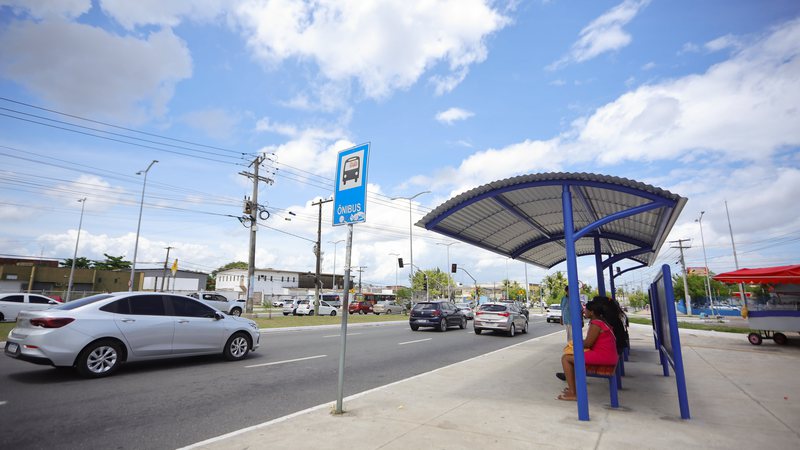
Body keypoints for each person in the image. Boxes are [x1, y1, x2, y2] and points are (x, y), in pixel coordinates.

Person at [557, 298, 618, 401]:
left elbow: (588, 344)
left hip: (604, 357)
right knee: (573, 356)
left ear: (592, 312)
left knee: (566, 358)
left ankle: (573, 392)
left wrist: (575, 343)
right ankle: (572, 388)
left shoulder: (596, 324)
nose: (583, 311)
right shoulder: (601, 321)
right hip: (608, 355)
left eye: (585, 310)